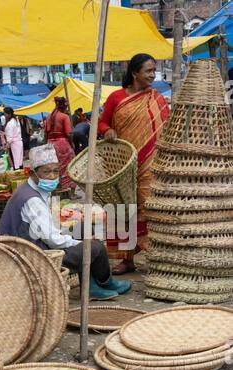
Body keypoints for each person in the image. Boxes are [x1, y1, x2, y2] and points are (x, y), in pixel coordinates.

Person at [0, 144, 131, 300]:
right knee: (96, 247)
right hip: (34, 257)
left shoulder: (29, 189)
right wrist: (79, 243)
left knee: (82, 229)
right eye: (46, 172)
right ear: (33, 173)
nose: (53, 176)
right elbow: (53, 240)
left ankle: (94, 284)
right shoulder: (32, 199)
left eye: (55, 171)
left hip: (31, 246)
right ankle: (103, 283)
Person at [98, 53, 170, 275]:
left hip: (151, 163)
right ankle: (126, 259)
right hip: (122, 164)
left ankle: (156, 255)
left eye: (153, 70)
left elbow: (166, 129)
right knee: (122, 208)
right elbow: (101, 122)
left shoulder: (156, 97)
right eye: (148, 70)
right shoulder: (116, 97)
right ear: (134, 73)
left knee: (152, 206)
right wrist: (107, 130)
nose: (152, 75)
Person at [45, 97, 76, 197]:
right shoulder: (64, 117)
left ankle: (56, 191)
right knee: (69, 167)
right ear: (64, 106)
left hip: (50, 144)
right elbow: (69, 133)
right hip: (62, 144)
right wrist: (71, 144)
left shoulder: (49, 116)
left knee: (54, 168)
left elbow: (46, 134)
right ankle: (71, 193)